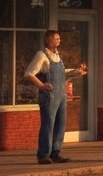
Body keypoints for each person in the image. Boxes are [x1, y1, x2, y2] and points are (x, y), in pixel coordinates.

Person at [24, 30, 87, 164]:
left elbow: (62, 72)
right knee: (48, 124)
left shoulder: (57, 55)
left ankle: (55, 152)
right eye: (56, 38)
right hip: (49, 95)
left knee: (60, 124)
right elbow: (29, 73)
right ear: (48, 40)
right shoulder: (42, 55)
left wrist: (77, 72)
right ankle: (43, 154)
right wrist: (41, 85)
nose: (59, 41)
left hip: (61, 94)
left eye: (59, 38)